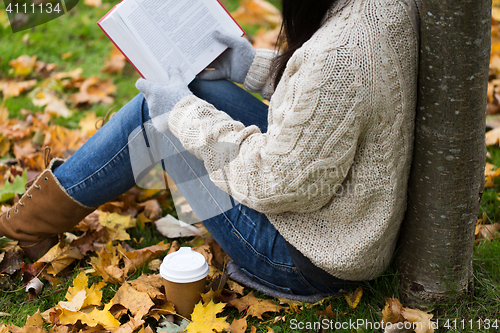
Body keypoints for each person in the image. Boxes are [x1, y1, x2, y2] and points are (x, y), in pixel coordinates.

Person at [0, 0, 419, 298]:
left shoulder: (341, 55)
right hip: (340, 219)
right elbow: (335, 104)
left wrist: (181, 112)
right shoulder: (382, 9)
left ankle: (24, 226)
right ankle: (34, 219)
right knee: (194, 89)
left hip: (308, 256)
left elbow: (278, 183)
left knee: (160, 115)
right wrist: (252, 66)